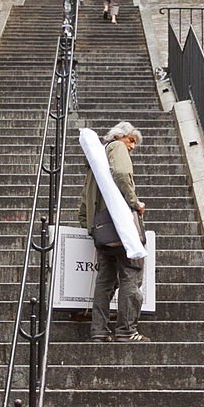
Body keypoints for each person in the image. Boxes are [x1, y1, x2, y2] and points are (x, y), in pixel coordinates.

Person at [78, 121, 149, 342]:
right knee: (131, 273)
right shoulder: (116, 147)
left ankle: (99, 330)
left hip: (101, 229)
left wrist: (90, 226)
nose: (132, 147)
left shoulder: (95, 163)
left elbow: (83, 203)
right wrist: (135, 203)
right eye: (131, 141)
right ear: (121, 136)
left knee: (105, 279)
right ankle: (127, 330)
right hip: (119, 226)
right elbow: (121, 173)